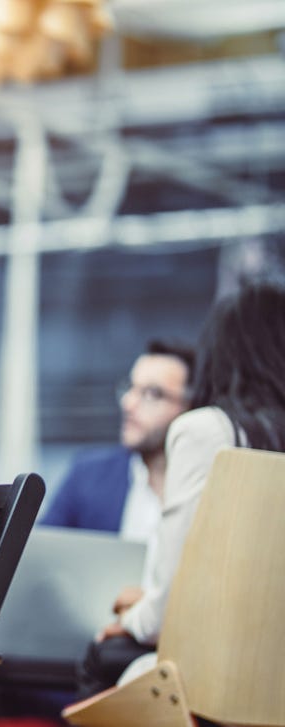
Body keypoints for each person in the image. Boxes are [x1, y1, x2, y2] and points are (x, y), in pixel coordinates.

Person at [76, 279, 285, 697]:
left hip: (217, 679)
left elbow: (165, 616)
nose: (129, 404)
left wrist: (134, 615)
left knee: (104, 655)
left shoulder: (207, 431)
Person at [42, 340, 194, 542]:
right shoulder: (87, 476)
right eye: (131, 387)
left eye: (152, 394)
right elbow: (39, 554)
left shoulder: (208, 490)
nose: (128, 403)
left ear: (191, 408)